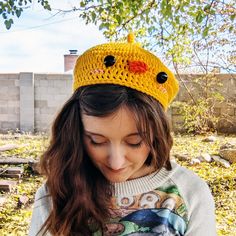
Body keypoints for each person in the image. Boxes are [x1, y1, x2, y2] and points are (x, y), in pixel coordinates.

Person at [29, 33, 217, 236]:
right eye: (97, 140)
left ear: (157, 134)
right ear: (75, 132)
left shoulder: (190, 193)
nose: (116, 163)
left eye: (135, 142)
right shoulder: (56, 193)